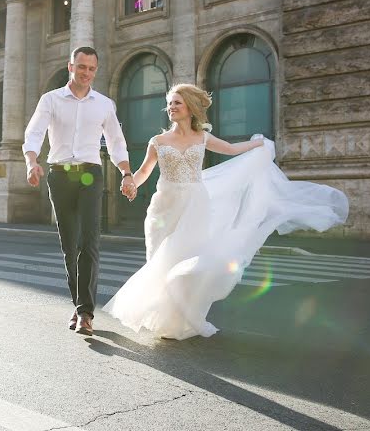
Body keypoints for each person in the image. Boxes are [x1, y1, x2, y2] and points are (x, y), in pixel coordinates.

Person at [103, 84, 349, 340]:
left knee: (186, 262)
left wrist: (258, 145)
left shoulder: (203, 138)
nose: (171, 108)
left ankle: (179, 321)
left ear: (190, 107)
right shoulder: (158, 141)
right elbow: (144, 171)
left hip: (195, 206)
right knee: (159, 260)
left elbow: (231, 150)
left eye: (177, 103)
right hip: (163, 207)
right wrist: (130, 182)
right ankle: (163, 318)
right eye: (170, 103)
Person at [23, 46, 137, 336]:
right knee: (69, 245)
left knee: (89, 241)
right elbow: (34, 132)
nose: (86, 73)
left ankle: (86, 313)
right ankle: (78, 305)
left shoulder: (104, 104)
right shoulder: (51, 100)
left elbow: (116, 141)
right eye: (81, 67)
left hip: (90, 174)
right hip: (59, 176)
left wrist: (126, 173)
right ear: (70, 66)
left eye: (91, 68)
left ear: (95, 70)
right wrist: (32, 162)